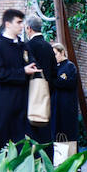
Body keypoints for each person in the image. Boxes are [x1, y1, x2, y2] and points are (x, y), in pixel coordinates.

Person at [0, 8, 40, 158]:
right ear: (7, 24)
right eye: (19, 22)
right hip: (1, 104)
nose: (22, 26)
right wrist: (22, 71)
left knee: (21, 144)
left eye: (23, 22)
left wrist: (32, 67)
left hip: (21, 103)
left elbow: (31, 62)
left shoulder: (23, 46)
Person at [25, 15, 57, 151]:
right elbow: (55, 72)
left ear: (29, 28)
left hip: (30, 94)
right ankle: (46, 161)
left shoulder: (28, 46)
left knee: (30, 131)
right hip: (46, 94)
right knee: (45, 131)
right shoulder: (49, 47)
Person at [50, 43, 80, 152]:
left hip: (67, 106)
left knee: (69, 133)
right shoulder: (53, 67)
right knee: (56, 132)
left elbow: (70, 83)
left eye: (55, 54)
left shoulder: (70, 66)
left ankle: (72, 160)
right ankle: (58, 160)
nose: (54, 57)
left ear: (62, 52)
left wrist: (56, 81)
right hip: (55, 105)